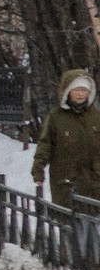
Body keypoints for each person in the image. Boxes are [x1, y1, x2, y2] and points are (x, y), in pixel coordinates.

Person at [33, 69, 100, 210]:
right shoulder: (56, 117)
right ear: (68, 91)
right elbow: (45, 145)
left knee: (93, 224)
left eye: (84, 90)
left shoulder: (96, 117)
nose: (81, 94)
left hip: (95, 182)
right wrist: (38, 170)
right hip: (66, 181)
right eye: (76, 90)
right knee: (70, 224)